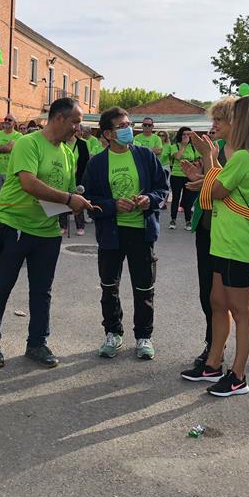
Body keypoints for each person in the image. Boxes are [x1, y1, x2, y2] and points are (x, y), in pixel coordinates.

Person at [0, 97, 92, 369]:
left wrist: (77, 197)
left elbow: (67, 187)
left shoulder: (66, 152)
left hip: (48, 232)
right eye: (75, 121)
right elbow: (29, 183)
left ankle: (37, 343)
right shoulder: (28, 143)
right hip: (15, 226)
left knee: (42, 291)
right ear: (59, 118)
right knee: (2, 286)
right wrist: (67, 199)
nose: (78, 127)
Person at [181, 95, 249, 397]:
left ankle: (238, 375)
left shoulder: (246, 158)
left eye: (231, 116)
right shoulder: (246, 157)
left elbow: (214, 193)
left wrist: (208, 159)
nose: (222, 122)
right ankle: (212, 364)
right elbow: (219, 188)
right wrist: (208, 172)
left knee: (240, 309)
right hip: (224, 242)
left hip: (237, 244)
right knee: (218, 302)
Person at [84, 107, 168, 359]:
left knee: (144, 288)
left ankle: (144, 337)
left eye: (130, 124)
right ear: (108, 133)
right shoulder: (97, 163)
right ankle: (113, 332)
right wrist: (112, 205)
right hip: (111, 234)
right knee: (109, 286)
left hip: (141, 233)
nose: (129, 129)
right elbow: (88, 199)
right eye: (122, 126)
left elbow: (162, 189)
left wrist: (149, 199)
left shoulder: (144, 156)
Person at [167, 127, 201, 230]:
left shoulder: (193, 147)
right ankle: (173, 220)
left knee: (187, 199)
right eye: (183, 134)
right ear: (180, 136)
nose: (186, 136)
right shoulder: (175, 146)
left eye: (187, 134)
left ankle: (188, 221)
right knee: (176, 198)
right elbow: (177, 157)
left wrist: (195, 163)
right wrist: (183, 145)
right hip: (176, 175)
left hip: (189, 176)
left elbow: (199, 160)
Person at [59, 125, 90, 236]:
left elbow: (85, 163)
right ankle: (63, 226)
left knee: (78, 201)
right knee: (63, 200)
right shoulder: (60, 143)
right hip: (63, 177)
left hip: (78, 177)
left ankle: (80, 226)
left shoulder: (82, 144)